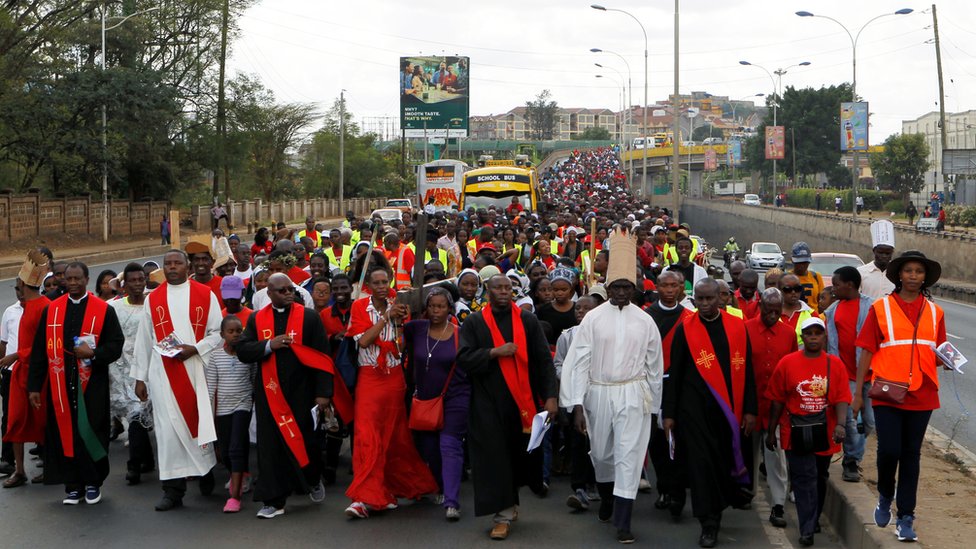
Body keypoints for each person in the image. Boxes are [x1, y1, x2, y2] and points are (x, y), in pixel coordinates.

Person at [560, 227, 664, 544]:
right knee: (603, 456)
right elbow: (577, 362)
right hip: (598, 393)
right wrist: (576, 403)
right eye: (616, 287)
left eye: (626, 288)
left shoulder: (645, 321)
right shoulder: (593, 319)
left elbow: (654, 367)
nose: (621, 293)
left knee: (629, 456)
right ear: (608, 287)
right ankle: (607, 497)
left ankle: (624, 521)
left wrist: (653, 405)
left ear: (633, 289)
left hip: (633, 395)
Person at [852, 251, 947, 543]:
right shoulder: (881, 308)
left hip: (922, 394)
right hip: (887, 391)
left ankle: (906, 516)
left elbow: (940, 353)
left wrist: (948, 358)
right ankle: (884, 495)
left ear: (924, 277)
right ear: (899, 276)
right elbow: (867, 350)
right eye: (908, 271)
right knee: (889, 450)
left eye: (919, 271)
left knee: (911, 456)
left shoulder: (935, 312)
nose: (914, 276)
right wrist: (858, 395)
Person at [457, 274, 558, 541]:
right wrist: (493, 352)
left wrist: (551, 396)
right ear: (487, 291)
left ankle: (511, 502)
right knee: (493, 458)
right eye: (498, 288)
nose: (504, 291)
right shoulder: (475, 322)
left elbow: (543, 360)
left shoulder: (527, 320)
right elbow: (464, 359)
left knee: (515, 456)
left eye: (508, 288)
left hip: (522, 402)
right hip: (487, 402)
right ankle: (501, 516)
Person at [236, 273, 343, 518]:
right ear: (269, 293)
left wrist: (324, 393)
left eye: (290, 289)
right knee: (271, 448)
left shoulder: (309, 317)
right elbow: (243, 350)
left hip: (303, 393)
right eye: (282, 290)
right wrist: (268, 345)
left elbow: (323, 358)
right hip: (270, 395)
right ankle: (274, 501)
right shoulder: (257, 319)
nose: (288, 294)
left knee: (307, 442)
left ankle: (312, 479)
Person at [662, 278, 757, 548]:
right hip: (692, 411)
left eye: (709, 299)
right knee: (701, 465)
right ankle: (708, 522)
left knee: (721, 462)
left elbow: (747, 370)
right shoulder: (685, 330)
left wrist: (750, 409)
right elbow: (675, 374)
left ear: (721, 298)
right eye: (699, 300)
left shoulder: (737, 327)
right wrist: (669, 413)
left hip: (728, 409)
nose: (704, 305)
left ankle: (721, 505)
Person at [343, 265, 438, 519]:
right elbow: (363, 341)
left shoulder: (400, 305)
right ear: (369, 286)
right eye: (377, 283)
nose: (382, 286)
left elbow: (399, 349)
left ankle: (387, 490)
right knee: (367, 435)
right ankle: (364, 497)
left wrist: (398, 322)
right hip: (370, 379)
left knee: (393, 436)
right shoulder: (360, 308)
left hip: (394, 379)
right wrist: (386, 316)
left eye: (386, 281)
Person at [132, 250, 223, 511]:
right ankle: (173, 491)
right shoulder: (154, 299)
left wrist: (196, 348)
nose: (172, 267)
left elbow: (217, 333)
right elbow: (144, 340)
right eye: (167, 264)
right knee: (167, 432)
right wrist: (140, 378)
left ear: (188, 265)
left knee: (198, 426)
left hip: (196, 371)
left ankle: (205, 472)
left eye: (177, 263)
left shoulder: (205, 295)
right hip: (162, 374)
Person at [27, 262, 124, 504]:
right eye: (68, 279)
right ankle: (73, 485)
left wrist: (93, 354)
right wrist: (34, 387)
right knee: (63, 434)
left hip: (92, 384)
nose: (72, 283)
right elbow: (40, 351)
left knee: (90, 430)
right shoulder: (52, 310)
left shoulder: (104, 310)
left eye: (77, 279)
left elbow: (115, 346)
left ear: (86, 279)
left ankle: (93, 482)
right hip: (59, 384)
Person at [765, 317, 851, 547]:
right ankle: (806, 528)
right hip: (795, 430)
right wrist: (770, 430)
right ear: (802, 337)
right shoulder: (787, 363)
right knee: (804, 479)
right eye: (809, 333)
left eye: (818, 333)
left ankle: (812, 518)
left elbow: (842, 398)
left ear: (825, 337)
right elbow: (776, 399)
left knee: (820, 477)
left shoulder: (835, 364)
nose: (813, 337)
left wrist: (841, 425)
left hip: (825, 431)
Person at [404, 288, 470, 521]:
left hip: (455, 398)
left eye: (441, 306)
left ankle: (452, 502)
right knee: (429, 450)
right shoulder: (416, 329)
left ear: (449, 309)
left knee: (449, 447)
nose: (436, 311)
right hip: (425, 400)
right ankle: (440, 487)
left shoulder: (459, 335)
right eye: (432, 306)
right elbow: (398, 326)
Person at [744, 288, 797, 529]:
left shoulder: (788, 335)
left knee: (776, 457)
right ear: (759, 307)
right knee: (749, 452)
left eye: (777, 311)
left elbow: (793, 370)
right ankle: (747, 492)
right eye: (768, 310)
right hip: (751, 406)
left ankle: (777, 504)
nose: (773, 315)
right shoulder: (745, 330)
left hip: (777, 409)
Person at [0, 251, 51, 488]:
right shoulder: (19, 308)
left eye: (18, 282)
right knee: (15, 421)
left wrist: (16, 355)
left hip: (39, 374)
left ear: (23, 283)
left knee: (43, 422)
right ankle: (19, 470)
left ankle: (50, 466)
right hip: (19, 374)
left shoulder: (45, 307)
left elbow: (45, 347)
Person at [823, 266, 875, 483]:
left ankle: (854, 453)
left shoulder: (872, 307)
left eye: (837, 284)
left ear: (850, 285)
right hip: (846, 376)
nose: (833, 289)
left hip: (871, 375)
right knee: (851, 421)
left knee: (870, 422)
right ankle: (851, 461)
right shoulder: (832, 311)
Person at [108, 263, 155, 485]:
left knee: (141, 413)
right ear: (124, 284)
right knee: (135, 414)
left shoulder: (154, 305)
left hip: (149, 367)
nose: (137, 284)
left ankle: (137, 463)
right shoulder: (115, 308)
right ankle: (140, 462)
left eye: (140, 279)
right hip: (122, 369)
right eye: (132, 280)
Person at [203, 316, 256, 513]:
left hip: (243, 405)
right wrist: (207, 414)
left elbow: (253, 380)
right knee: (225, 452)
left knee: (235, 448)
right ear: (222, 334)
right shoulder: (216, 356)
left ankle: (235, 497)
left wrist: (252, 401)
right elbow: (211, 386)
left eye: (238, 331)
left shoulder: (247, 355)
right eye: (231, 331)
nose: (235, 335)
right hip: (222, 409)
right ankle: (241, 473)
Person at [553, 296, 599, 513]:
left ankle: (597, 482)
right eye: (578, 308)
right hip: (576, 399)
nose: (580, 311)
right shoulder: (567, 336)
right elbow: (559, 364)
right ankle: (579, 486)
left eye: (586, 308)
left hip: (599, 396)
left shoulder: (604, 335)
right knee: (579, 443)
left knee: (598, 443)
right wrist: (570, 375)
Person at [858, 220, 896, 301]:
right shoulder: (861, 272)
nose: (884, 256)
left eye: (887, 253)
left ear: (892, 252)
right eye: (880, 252)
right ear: (874, 251)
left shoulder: (897, 274)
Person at [186, 236, 224, 309]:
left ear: (212, 262)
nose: (201, 263)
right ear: (192, 263)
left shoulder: (222, 284)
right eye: (197, 259)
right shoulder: (186, 286)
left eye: (205, 259)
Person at [789, 242, 823, 311]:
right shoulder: (786, 278)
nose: (802, 266)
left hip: (813, 318)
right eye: (799, 262)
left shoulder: (816, 277)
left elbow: (822, 302)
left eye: (805, 262)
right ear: (792, 260)